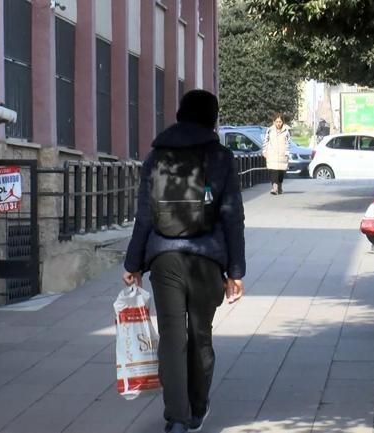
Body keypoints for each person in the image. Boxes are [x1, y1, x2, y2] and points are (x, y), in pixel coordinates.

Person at [122, 90, 245, 433]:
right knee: (200, 335)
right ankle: (198, 407)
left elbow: (144, 216)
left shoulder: (157, 155)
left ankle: (176, 418)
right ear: (212, 117)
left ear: (179, 114)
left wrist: (132, 264)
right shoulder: (220, 157)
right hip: (206, 260)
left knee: (173, 337)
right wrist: (235, 272)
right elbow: (233, 216)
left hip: (164, 259)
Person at [262, 114, 290, 195]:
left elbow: (288, 143)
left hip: (282, 155)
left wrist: (287, 152)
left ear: (283, 122)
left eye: (280, 122)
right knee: (273, 171)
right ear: (273, 122)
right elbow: (265, 141)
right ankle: (274, 188)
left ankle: (280, 186)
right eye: (277, 122)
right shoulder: (269, 130)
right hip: (272, 154)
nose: (278, 123)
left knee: (280, 172)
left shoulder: (286, 131)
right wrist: (264, 151)